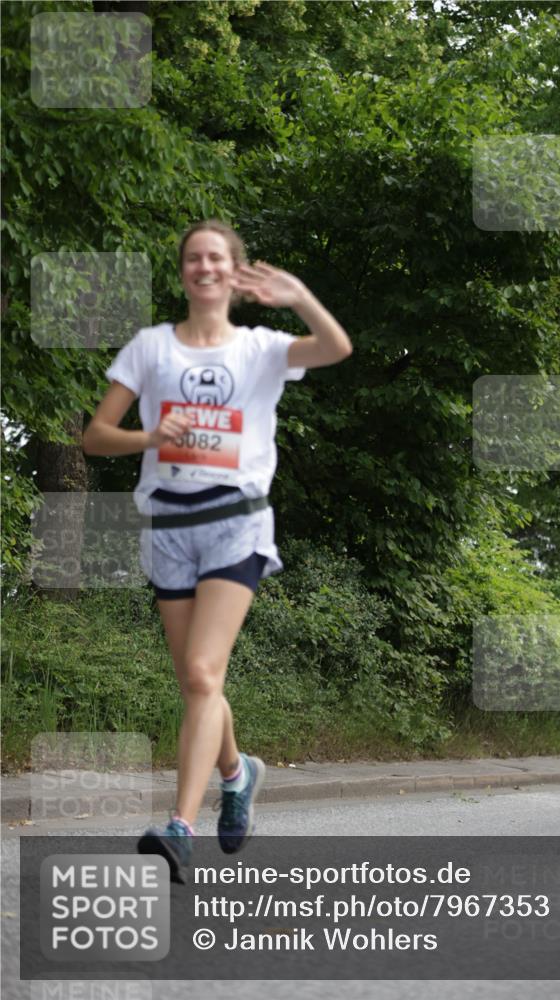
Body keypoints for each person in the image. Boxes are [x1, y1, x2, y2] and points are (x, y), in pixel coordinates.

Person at [82, 220, 352, 882]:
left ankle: (180, 828)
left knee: (204, 673)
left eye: (216, 257)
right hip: (168, 529)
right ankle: (237, 774)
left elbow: (337, 347)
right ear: (182, 272)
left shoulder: (262, 348)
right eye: (192, 258)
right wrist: (150, 438)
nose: (203, 267)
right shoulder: (150, 348)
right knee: (195, 681)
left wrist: (298, 297)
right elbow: (94, 436)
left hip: (236, 523)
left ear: (233, 273)